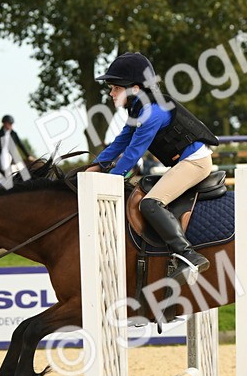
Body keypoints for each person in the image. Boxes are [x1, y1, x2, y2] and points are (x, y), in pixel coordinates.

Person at [84, 52, 219, 282]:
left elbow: (133, 153)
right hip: (185, 161)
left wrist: (109, 179)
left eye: (115, 88)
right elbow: (121, 142)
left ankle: (188, 255)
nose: (111, 93)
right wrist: (96, 166)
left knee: (150, 203)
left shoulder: (152, 113)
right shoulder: (139, 108)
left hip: (195, 162)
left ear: (134, 88)